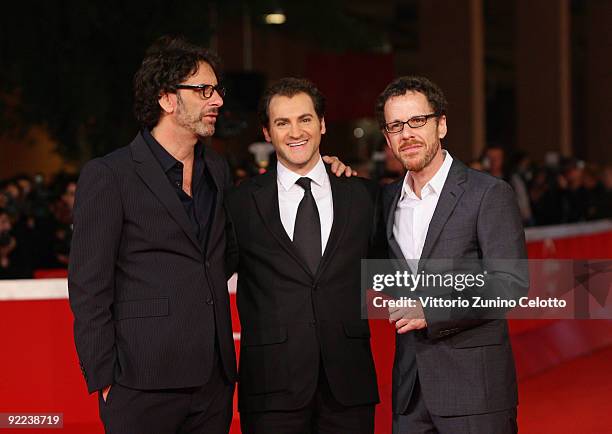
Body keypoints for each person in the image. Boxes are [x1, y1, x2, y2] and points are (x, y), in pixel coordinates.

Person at [68, 36, 238, 434]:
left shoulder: (218, 170)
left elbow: (225, 255)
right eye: (203, 90)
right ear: (166, 99)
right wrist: (104, 378)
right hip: (139, 382)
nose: (217, 101)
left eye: (217, 90)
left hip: (213, 380)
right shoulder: (110, 175)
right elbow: (88, 286)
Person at [225, 78, 383, 434]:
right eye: (282, 123)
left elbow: (397, 269)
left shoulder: (363, 196)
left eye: (305, 119)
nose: (296, 132)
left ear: (322, 124)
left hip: (349, 387)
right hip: (270, 390)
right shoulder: (239, 203)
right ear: (267, 132)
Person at [377, 76, 528, 434]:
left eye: (418, 121)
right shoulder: (384, 200)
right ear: (387, 138)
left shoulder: (488, 193)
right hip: (409, 394)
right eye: (396, 126)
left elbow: (509, 284)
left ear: (441, 124)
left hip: (475, 393)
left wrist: (431, 310)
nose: (407, 134)